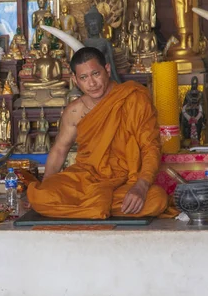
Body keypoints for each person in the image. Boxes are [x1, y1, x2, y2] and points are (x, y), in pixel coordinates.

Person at [27, 47, 173, 218]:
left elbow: (150, 146)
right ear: (75, 80)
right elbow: (59, 150)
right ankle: (98, 206)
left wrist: (141, 186)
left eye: (95, 74)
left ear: (107, 69)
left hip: (125, 181)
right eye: (83, 77)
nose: (92, 83)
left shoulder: (133, 98)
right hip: (85, 180)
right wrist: (47, 186)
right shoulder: (75, 111)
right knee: (42, 195)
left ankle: (92, 207)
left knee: (157, 199)